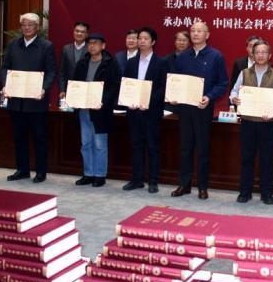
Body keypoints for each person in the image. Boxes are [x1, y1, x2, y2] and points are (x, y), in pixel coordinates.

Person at [170, 21, 228, 200]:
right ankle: (184, 184)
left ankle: (203, 187)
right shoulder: (183, 56)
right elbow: (175, 80)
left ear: (207, 35)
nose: (195, 33)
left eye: (199, 31)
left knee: (202, 149)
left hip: (203, 108)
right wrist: (173, 95)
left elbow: (223, 83)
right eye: (193, 30)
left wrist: (209, 97)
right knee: (185, 148)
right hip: (185, 108)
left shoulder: (215, 56)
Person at [0, 13, 56, 183]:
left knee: (39, 138)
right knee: (19, 137)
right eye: (23, 25)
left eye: (30, 25)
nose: (26, 28)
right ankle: (22, 169)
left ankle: (41, 172)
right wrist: (6, 85)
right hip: (16, 101)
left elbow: (51, 71)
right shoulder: (13, 45)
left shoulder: (46, 46)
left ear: (37, 27)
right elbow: (5, 68)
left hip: (36, 101)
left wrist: (44, 88)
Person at [230, 40, 273, 205]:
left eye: (264, 52)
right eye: (257, 52)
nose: (260, 55)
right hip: (248, 121)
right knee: (246, 158)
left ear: (269, 56)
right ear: (252, 55)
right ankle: (245, 192)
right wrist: (234, 98)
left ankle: (266, 193)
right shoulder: (244, 73)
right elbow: (234, 91)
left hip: (267, 123)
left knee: (266, 159)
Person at [122, 27, 168, 194]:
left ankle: (153, 181)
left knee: (152, 147)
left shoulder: (161, 62)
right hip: (134, 111)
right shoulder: (131, 62)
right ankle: (137, 179)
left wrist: (147, 101)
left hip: (151, 112)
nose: (141, 41)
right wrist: (128, 100)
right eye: (140, 38)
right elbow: (126, 84)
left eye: (145, 38)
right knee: (136, 146)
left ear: (153, 42)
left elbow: (163, 87)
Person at [72, 33, 122, 187]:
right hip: (83, 109)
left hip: (101, 111)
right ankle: (88, 173)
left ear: (103, 46)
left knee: (100, 144)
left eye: (96, 43)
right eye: (90, 43)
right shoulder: (82, 62)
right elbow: (75, 83)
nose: (92, 46)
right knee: (86, 143)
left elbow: (114, 86)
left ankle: (100, 175)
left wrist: (102, 101)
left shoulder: (110, 63)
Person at [59, 21, 89, 99]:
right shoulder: (66, 49)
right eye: (77, 31)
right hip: (69, 90)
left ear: (87, 34)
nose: (79, 33)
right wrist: (62, 90)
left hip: (86, 90)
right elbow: (62, 72)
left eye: (82, 32)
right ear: (73, 32)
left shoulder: (91, 49)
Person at [164, 30, 190, 113]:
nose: (181, 43)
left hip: (188, 103)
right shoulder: (166, 60)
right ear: (175, 42)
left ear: (189, 43)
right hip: (169, 102)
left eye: (184, 40)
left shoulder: (195, 59)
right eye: (179, 40)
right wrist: (168, 97)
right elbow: (162, 81)